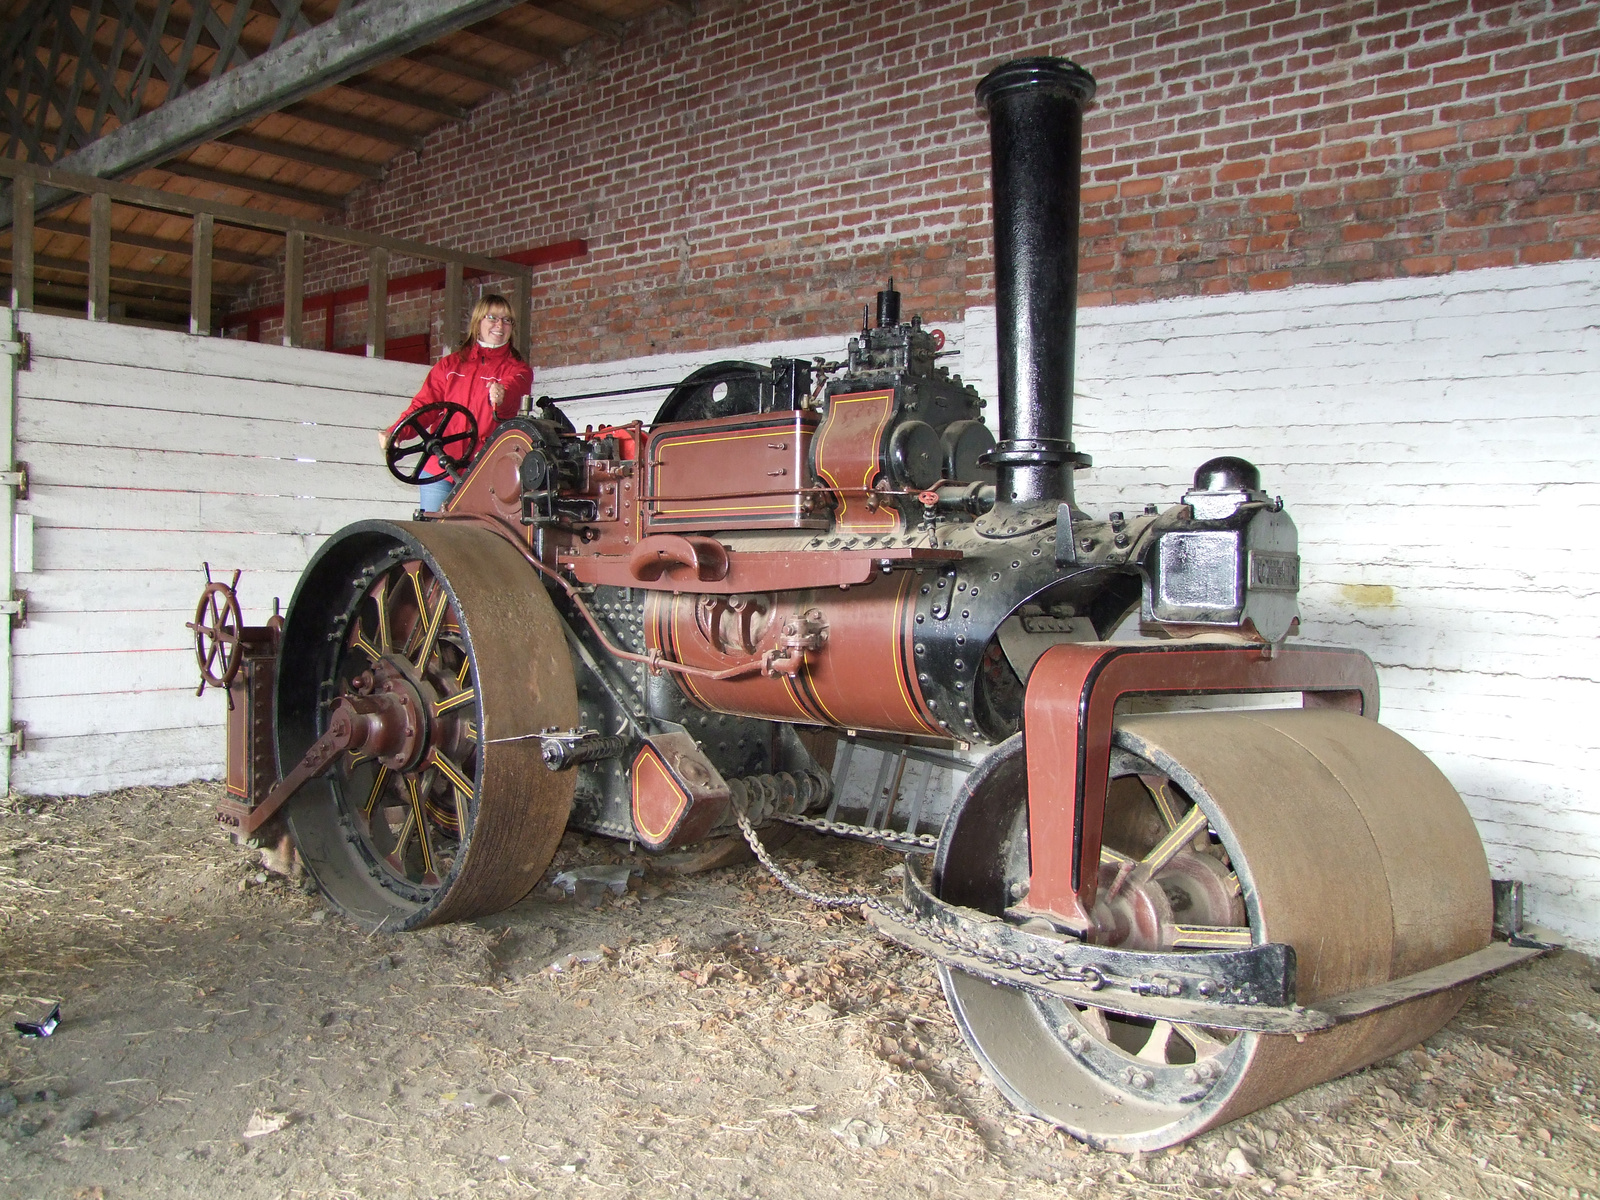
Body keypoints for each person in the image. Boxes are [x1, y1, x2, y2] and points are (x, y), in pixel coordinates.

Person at [381, 294, 534, 511]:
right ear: (478, 322)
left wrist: (501, 395)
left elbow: (513, 393)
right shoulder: (450, 365)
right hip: (441, 467)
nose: (500, 325)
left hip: (484, 470)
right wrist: (397, 432)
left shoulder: (518, 370)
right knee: (434, 535)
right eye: (493, 318)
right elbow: (425, 406)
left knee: (476, 535)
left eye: (507, 320)